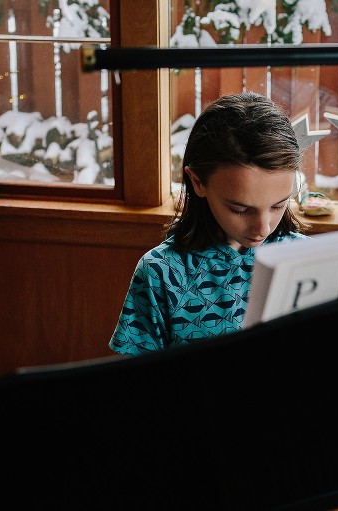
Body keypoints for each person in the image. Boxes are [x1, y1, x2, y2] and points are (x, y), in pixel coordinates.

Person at [109, 92, 309, 356]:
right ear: (198, 182)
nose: (263, 227)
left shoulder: (306, 259)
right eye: (240, 209)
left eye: (278, 205)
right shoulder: (162, 273)